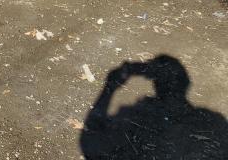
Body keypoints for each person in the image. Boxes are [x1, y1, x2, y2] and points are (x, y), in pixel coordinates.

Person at [81, 55, 228, 159]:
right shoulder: (214, 122)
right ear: (185, 83)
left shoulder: (134, 121)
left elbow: (89, 142)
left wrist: (110, 87)